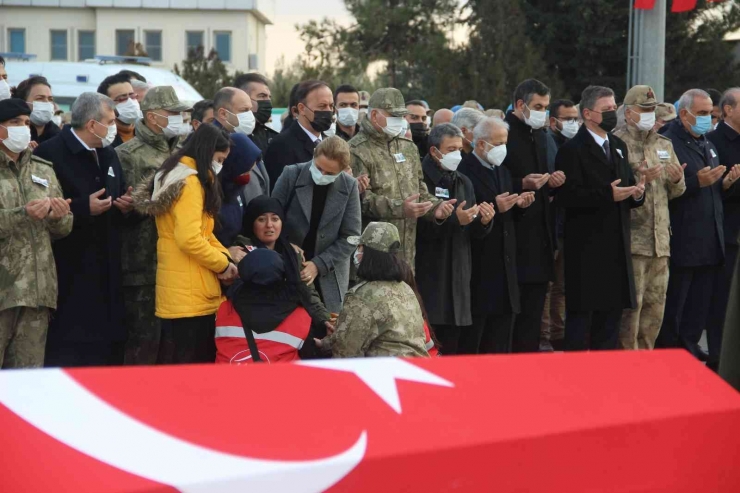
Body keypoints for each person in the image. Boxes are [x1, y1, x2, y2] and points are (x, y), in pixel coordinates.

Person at [34, 92, 133, 366]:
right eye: (110, 121)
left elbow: (116, 193)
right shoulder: (50, 153)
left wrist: (124, 206)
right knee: (71, 349)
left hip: (108, 266)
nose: (114, 126)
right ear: (91, 124)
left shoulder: (108, 152)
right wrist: (81, 208)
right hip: (71, 267)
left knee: (107, 351)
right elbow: (42, 207)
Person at [132, 124, 236, 364]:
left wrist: (226, 259)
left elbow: (204, 233)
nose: (221, 165)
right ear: (207, 152)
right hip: (192, 292)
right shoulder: (190, 182)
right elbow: (189, 238)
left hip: (181, 290)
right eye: (220, 159)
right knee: (194, 368)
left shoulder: (174, 174)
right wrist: (222, 264)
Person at [555, 85, 646, 351]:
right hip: (586, 248)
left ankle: (604, 381)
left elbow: (625, 188)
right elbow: (567, 198)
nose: (612, 114)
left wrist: (637, 192)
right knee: (582, 323)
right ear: (588, 113)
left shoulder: (618, 146)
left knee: (610, 322)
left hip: (616, 246)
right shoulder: (572, 150)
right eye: (606, 110)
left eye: (613, 108)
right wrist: (607, 194)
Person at [655, 89, 740, 362]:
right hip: (684, 241)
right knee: (674, 311)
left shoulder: (706, 144)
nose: (707, 118)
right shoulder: (669, 144)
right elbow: (665, 191)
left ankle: (689, 359)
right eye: (702, 114)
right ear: (684, 114)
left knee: (697, 313)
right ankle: (669, 361)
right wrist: (696, 183)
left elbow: (714, 193)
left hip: (710, 242)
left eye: (709, 113)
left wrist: (724, 185)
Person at [115, 86, 191, 365]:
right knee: (144, 341)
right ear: (151, 116)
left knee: (174, 345)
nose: (178, 118)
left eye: (181, 113)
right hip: (142, 262)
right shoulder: (128, 154)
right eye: (172, 113)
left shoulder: (183, 150)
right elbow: (122, 208)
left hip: (178, 260)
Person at [0, 98, 73, 368]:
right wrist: (23, 214)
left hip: (36, 294)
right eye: (15, 123)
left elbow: (63, 229)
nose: (23, 128)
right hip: (3, 292)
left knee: (26, 383)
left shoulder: (43, 169)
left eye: (27, 123)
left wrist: (59, 217)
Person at [613, 85, 687, 351]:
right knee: (630, 312)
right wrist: (638, 178)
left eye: (651, 110)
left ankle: (645, 366)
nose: (648, 115)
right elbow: (613, 186)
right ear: (629, 111)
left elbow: (675, 191)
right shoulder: (617, 142)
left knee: (655, 312)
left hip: (660, 243)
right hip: (633, 242)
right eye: (644, 110)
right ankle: (625, 369)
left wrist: (678, 180)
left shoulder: (663, 143)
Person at [349, 87, 455, 270]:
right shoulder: (355, 150)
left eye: (401, 116)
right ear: (374, 115)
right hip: (375, 255)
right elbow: (360, 200)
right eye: (394, 116)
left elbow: (419, 189)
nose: (400, 121)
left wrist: (436, 208)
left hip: (408, 256)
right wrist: (401, 208)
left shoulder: (408, 147)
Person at [415, 123, 494, 355]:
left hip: (459, 277)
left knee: (454, 347)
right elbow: (417, 226)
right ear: (434, 151)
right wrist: (451, 221)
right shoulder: (420, 179)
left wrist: (484, 222)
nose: (456, 155)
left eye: (459, 148)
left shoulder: (464, 182)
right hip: (430, 273)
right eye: (450, 149)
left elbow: (471, 232)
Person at [459, 117, 534, 354]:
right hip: (480, 268)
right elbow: (467, 214)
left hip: (505, 268)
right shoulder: (464, 171)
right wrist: (494, 205)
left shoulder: (503, 171)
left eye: (505, 142)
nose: (503, 148)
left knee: (500, 343)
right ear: (481, 145)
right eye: (498, 142)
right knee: (476, 342)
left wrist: (519, 205)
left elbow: (507, 216)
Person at [503, 78, 564, 353]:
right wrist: (520, 184)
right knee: (510, 319)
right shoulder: (502, 133)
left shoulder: (541, 134)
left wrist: (554, 182)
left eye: (546, 107)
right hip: (511, 237)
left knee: (533, 317)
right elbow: (489, 181)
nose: (543, 112)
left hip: (540, 239)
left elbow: (547, 175)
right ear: (520, 104)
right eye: (538, 106)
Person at [271, 136, 361, 314]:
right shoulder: (291, 174)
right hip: (288, 265)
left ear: (343, 171)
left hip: (329, 273)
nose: (322, 176)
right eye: (319, 168)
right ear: (314, 155)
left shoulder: (349, 186)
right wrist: (286, 246)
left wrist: (318, 264)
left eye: (330, 174)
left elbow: (350, 237)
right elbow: (273, 218)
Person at [317, 222, 429, 358]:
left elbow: (346, 354)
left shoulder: (362, 295)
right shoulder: (406, 289)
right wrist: (329, 341)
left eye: (360, 247)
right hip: (416, 371)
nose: (357, 252)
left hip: (383, 375)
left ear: (369, 254)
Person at [233, 195, 332, 337]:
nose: (269, 225)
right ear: (251, 222)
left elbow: (308, 294)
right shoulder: (240, 252)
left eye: (275, 219)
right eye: (261, 219)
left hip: (288, 328)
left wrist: (324, 319)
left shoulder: (292, 254)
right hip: (249, 328)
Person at [215, 248, 325, 364]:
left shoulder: (225, 309)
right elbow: (309, 356)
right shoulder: (301, 316)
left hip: (227, 380)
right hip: (280, 381)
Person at [705, 88, 740, 370]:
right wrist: (727, 185)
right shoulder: (713, 141)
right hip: (727, 233)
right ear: (727, 110)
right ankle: (719, 359)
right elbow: (712, 191)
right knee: (724, 303)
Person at [212, 87, 264, 248]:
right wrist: (225, 252)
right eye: (244, 110)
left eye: (251, 110)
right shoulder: (211, 149)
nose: (250, 115)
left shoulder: (244, 143)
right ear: (223, 114)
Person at [264, 80, 335, 190]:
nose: (329, 111)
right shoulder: (282, 145)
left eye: (331, 106)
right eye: (322, 106)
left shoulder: (331, 145)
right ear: (302, 108)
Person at [234, 72, 278, 154]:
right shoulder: (229, 136)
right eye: (262, 96)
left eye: (269, 97)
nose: (268, 101)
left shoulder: (272, 138)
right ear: (243, 98)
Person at [97, 72, 141, 148]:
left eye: (132, 96)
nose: (130, 102)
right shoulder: (103, 139)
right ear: (106, 104)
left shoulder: (146, 134)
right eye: (121, 99)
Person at [12, 76, 59, 146]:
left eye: (50, 99)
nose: (47, 102)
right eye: (40, 98)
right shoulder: (11, 133)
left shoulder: (59, 137)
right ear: (23, 102)